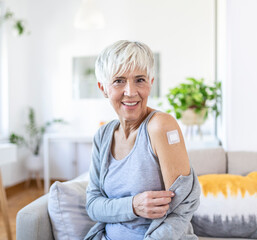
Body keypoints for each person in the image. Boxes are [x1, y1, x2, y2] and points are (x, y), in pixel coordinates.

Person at [84, 40, 201, 240]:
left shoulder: (161, 126)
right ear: (103, 88)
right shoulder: (103, 136)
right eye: (119, 80)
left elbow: (182, 209)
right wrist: (133, 205)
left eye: (139, 79)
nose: (131, 92)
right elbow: (93, 205)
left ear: (151, 83)